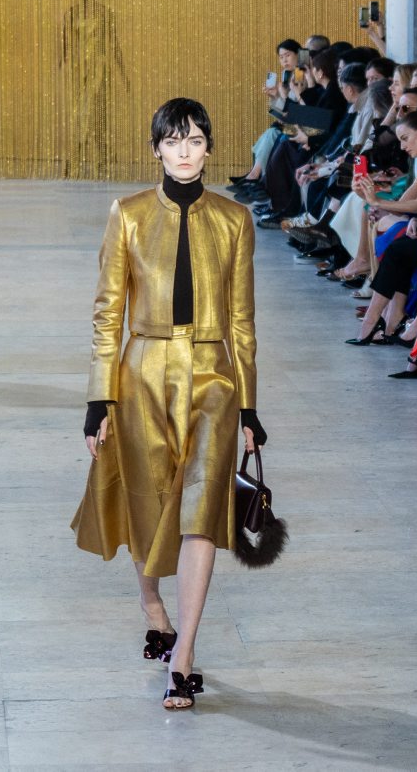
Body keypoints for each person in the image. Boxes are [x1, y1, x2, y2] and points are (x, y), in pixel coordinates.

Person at [71, 97, 266, 710]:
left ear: (209, 148)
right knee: (149, 504)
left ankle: (184, 656)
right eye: (173, 141)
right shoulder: (128, 214)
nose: (185, 152)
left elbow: (242, 320)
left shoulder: (234, 219)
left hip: (212, 378)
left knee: (202, 511)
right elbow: (107, 312)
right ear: (155, 149)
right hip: (143, 373)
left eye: (195, 140)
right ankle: (152, 603)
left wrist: (249, 406)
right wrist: (99, 397)